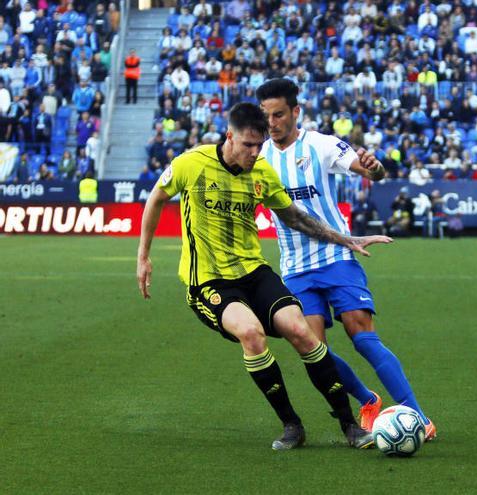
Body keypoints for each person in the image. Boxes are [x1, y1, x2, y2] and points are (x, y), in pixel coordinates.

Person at [136, 102, 385, 450]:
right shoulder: (191, 163)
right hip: (209, 281)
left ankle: (350, 425)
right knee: (251, 333)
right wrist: (143, 256)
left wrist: (346, 239)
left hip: (254, 272)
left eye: (259, 144)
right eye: (248, 145)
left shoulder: (262, 173)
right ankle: (291, 425)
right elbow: (156, 198)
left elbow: (295, 217)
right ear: (229, 137)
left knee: (303, 332)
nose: (255, 153)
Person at [256, 79, 435, 440]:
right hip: (295, 267)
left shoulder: (319, 145)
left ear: (295, 112)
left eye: (278, 115)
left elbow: (369, 170)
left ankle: (416, 415)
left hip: (337, 254)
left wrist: (374, 166)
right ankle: (368, 400)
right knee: (312, 349)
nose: (271, 123)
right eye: (266, 116)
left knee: (361, 333)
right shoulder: (257, 157)